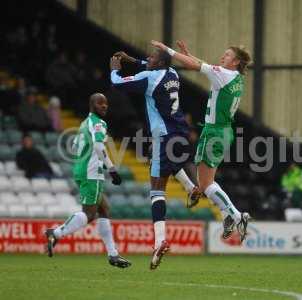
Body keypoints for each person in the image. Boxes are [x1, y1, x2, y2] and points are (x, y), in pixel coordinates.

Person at [151, 40, 251, 242]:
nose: (223, 57)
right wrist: (189, 54)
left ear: (236, 62)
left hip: (214, 132)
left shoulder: (223, 74)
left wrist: (168, 51)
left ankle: (236, 215)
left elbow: (195, 66)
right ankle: (227, 215)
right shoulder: (236, 77)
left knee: (204, 185)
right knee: (209, 182)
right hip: (224, 131)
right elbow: (202, 65)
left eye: (228, 55)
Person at [110, 49, 201, 270]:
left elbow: (119, 84)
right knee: (167, 163)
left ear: (158, 62)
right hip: (181, 133)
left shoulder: (150, 77)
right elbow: (154, 66)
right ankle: (190, 188)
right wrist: (135, 61)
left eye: (151, 57)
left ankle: (159, 241)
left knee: (156, 189)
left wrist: (114, 70)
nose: (147, 59)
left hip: (163, 134)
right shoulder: (173, 74)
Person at [44, 93, 131, 268]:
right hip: (92, 173)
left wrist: (84, 162)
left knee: (104, 209)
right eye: (100, 103)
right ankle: (56, 232)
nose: (104, 105)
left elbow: (76, 146)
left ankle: (113, 254)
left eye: (106, 103)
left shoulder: (85, 123)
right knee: (90, 213)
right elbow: (99, 147)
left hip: (82, 170)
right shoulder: (99, 123)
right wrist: (111, 169)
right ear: (92, 105)